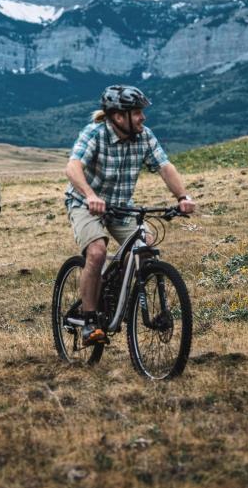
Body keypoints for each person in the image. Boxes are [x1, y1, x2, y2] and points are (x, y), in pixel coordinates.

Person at [64, 85, 196, 345]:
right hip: (85, 203)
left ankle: (116, 297)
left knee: (144, 247)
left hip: (122, 206)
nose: (143, 118)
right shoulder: (95, 133)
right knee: (97, 252)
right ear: (118, 116)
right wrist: (90, 195)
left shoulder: (144, 136)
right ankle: (90, 320)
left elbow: (164, 166)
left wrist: (183, 197)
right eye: (137, 113)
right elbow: (73, 166)